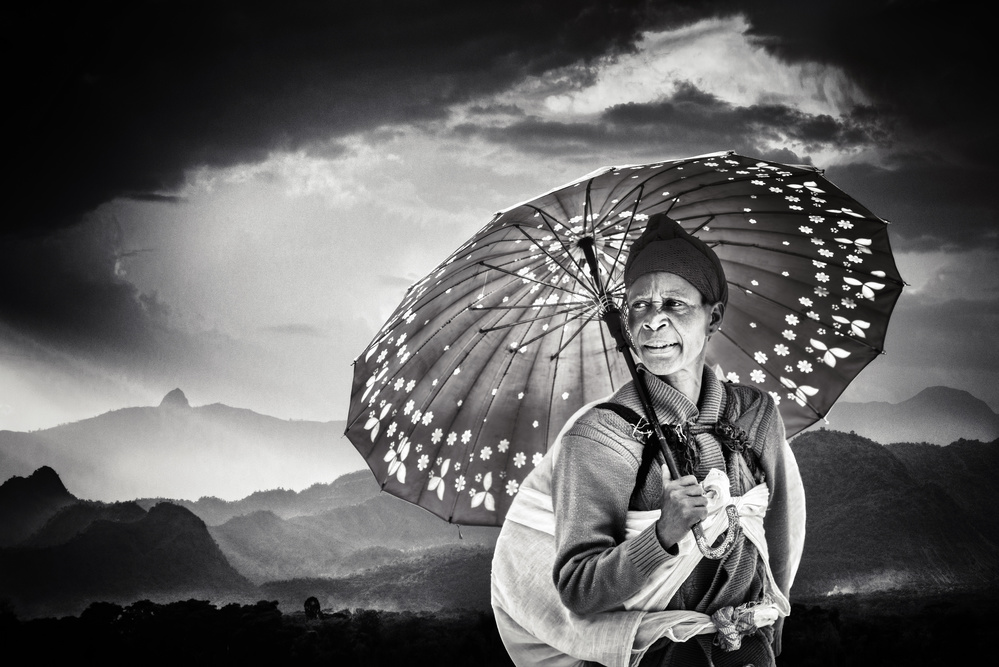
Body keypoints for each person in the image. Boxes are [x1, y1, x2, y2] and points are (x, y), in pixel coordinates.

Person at [491, 213, 806, 667]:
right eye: (639, 305)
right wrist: (663, 534)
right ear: (624, 321)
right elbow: (579, 589)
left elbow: (776, 532)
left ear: (713, 316)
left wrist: (774, 622)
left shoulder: (754, 414)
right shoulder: (603, 435)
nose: (653, 321)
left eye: (675, 304)